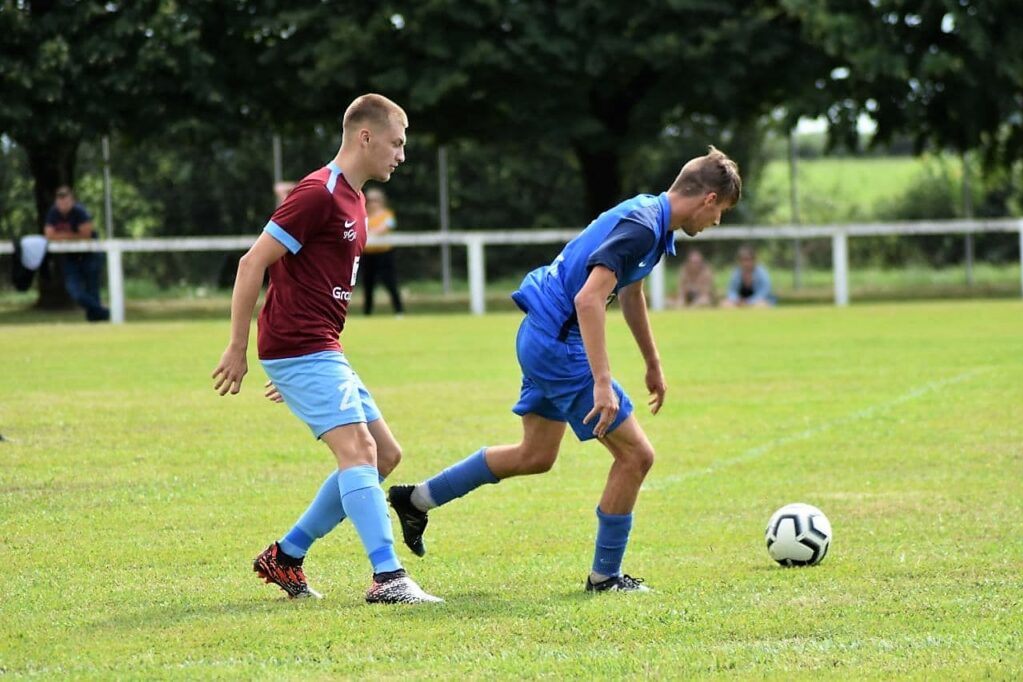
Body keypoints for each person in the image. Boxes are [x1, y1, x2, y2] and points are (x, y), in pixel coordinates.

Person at [388, 146, 742, 593]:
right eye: (721, 212)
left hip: (539, 333)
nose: (716, 223)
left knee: (535, 455)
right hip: (559, 344)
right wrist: (601, 383)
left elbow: (629, 294)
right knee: (636, 456)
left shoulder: (651, 220)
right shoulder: (641, 227)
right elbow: (588, 299)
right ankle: (605, 577)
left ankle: (415, 499)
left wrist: (652, 362)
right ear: (709, 199)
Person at [211, 93, 441, 605]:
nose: (401, 154)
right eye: (396, 142)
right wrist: (239, 348)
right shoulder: (317, 193)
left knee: (384, 454)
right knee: (358, 451)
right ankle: (389, 579)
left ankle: (286, 556)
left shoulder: (356, 200)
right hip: (302, 346)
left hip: (315, 348)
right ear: (365, 136)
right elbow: (252, 264)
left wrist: (298, 367)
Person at [44, 186, 110, 321]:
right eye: (60, 201)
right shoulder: (53, 213)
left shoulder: (80, 212)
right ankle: (104, 312)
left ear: (72, 201)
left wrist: (61, 236)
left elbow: (86, 234)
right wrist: (74, 235)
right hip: (71, 257)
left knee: (93, 290)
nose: (63, 205)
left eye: (66, 201)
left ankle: (96, 321)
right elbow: (49, 235)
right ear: (56, 202)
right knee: (74, 291)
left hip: (90, 254)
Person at [361, 187, 405, 316]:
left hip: (384, 255)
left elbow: (385, 228)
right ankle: (367, 313)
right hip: (368, 255)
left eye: (375, 200)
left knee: (390, 282)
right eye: (370, 200)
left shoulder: (387, 215)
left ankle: (399, 311)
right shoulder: (363, 215)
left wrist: (370, 233)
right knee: (368, 285)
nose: (372, 203)